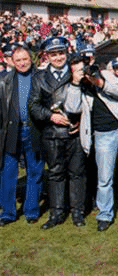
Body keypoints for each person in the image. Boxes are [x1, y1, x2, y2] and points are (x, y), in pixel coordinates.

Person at [64, 55, 118, 232]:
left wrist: (100, 82)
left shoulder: (105, 75)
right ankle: (105, 214)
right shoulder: (78, 87)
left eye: (87, 68)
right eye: (81, 71)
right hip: (103, 135)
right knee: (104, 178)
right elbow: (72, 107)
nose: (87, 73)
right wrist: (76, 83)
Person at [29, 36, 87, 229]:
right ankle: (56, 213)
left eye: (61, 53)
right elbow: (34, 106)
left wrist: (81, 121)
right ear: (47, 55)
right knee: (55, 174)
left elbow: (88, 103)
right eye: (53, 54)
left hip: (74, 133)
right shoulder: (39, 77)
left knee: (77, 173)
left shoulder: (76, 74)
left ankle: (78, 213)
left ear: (66, 53)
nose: (58, 57)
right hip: (52, 134)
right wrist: (51, 116)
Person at [0, 44, 44, 225]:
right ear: (11, 62)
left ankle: (32, 211)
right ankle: (8, 213)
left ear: (31, 59)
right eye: (18, 60)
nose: (22, 63)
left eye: (25, 59)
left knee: (35, 170)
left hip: (34, 130)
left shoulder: (41, 77)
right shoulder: (4, 80)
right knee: (8, 172)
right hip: (12, 131)